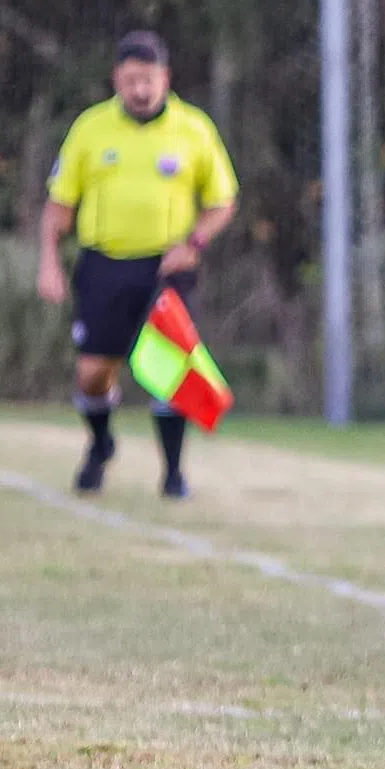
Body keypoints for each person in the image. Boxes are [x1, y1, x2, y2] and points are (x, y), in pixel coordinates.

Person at [35, 31, 239, 497]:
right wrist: (49, 262)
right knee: (93, 373)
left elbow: (222, 202)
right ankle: (101, 443)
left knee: (169, 371)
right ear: (116, 80)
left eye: (148, 80)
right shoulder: (91, 128)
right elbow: (59, 206)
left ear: (165, 78)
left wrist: (195, 243)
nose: (140, 90)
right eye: (131, 81)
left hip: (166, 269)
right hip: (104, 266)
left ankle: (173, 473)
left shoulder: (194, 129)